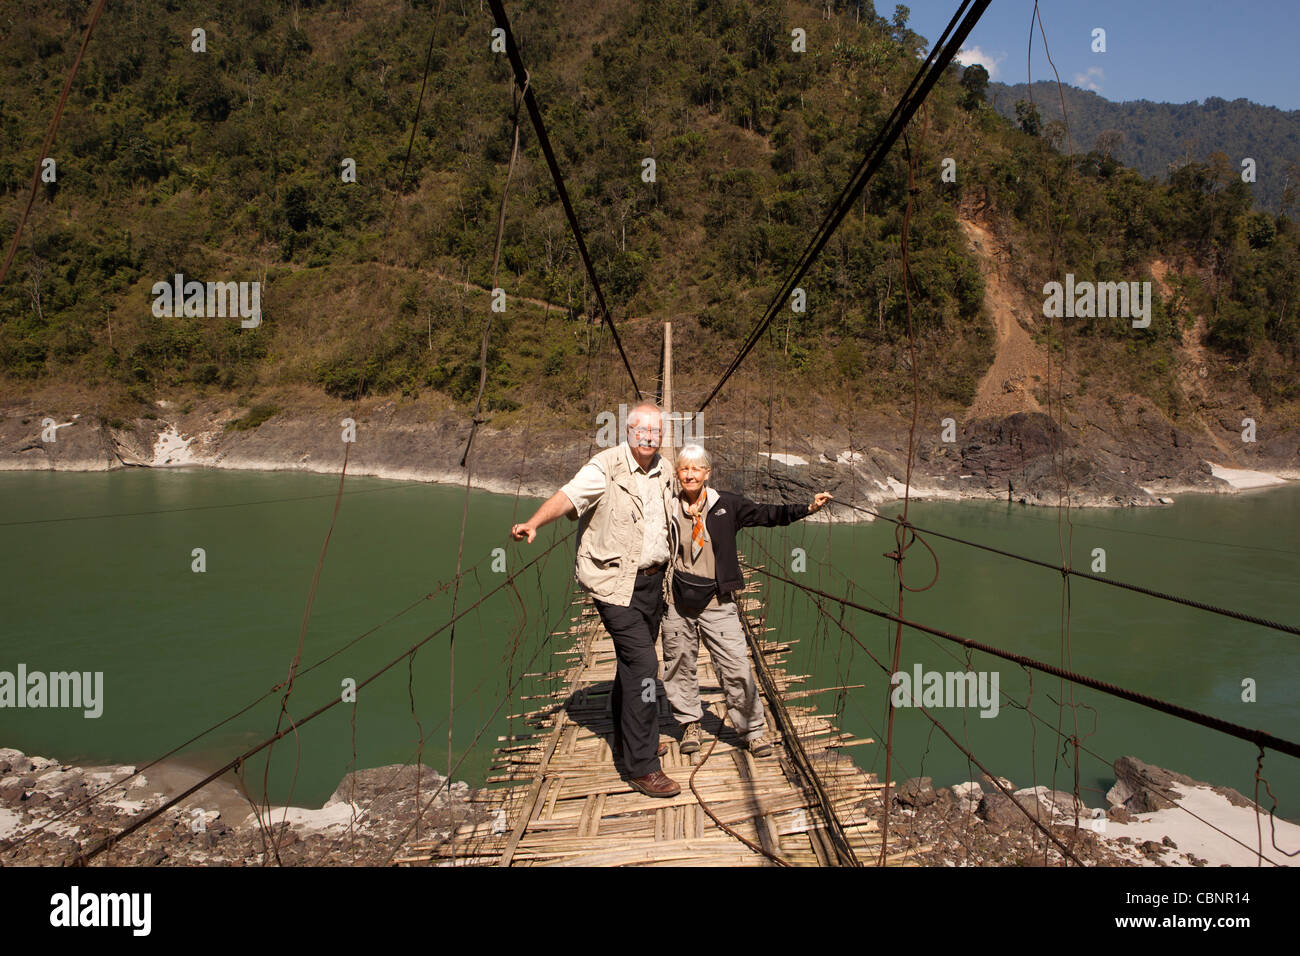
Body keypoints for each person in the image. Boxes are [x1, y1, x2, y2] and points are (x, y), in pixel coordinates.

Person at [510, 401, 680, 798]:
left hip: (654, 581)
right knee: (644, 664)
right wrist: (534, 523)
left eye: (657, 432)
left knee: (631, 662)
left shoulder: (665, 469)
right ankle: (641, 765)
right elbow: (568, 497)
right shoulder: (604, 467)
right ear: (628, 430)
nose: (650, 438)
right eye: (643, 430)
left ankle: (629, 733)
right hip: (612, 583)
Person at [662, 443, 832, 758]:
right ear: (677, 474)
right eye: (684, 469)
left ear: (707, 473)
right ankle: (690, 724)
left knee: (736, 666)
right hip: (678, 601)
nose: (690, 475)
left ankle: (752, 730)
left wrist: (806, 508)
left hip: (718, 601)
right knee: (679, 665)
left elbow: (767, 513)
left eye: (696, 469)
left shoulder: (727, 505)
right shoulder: (666, 507)